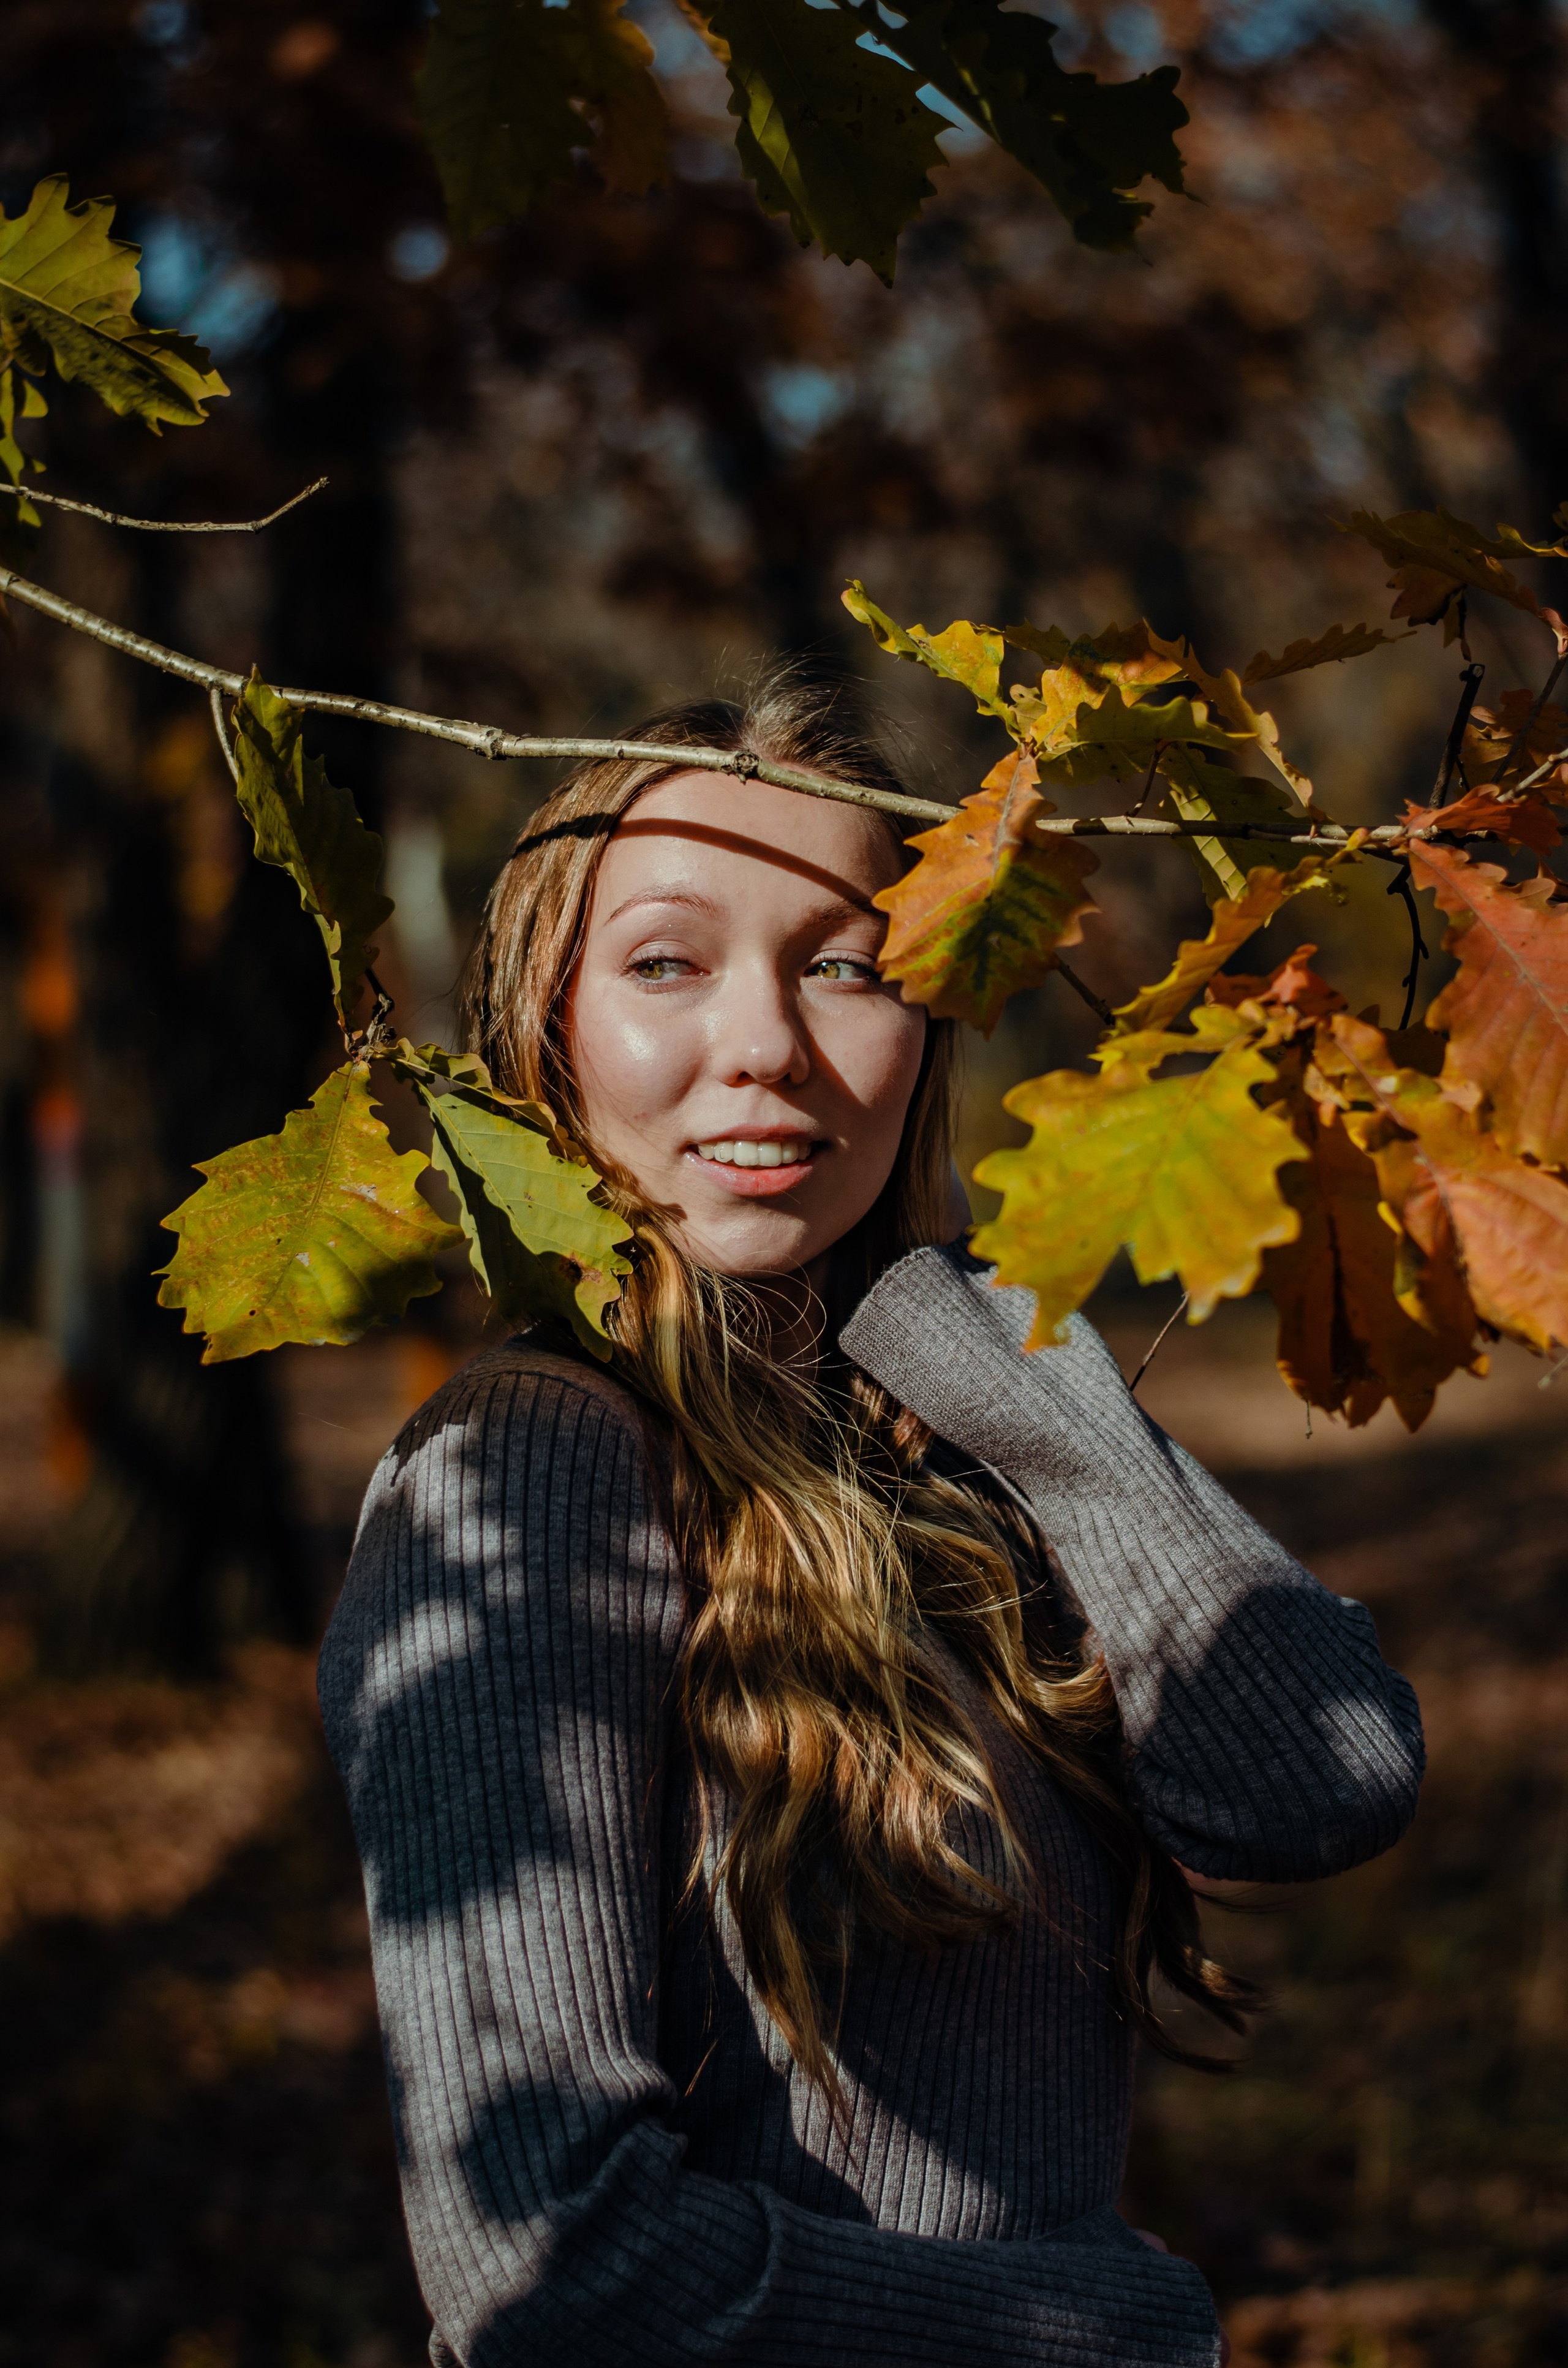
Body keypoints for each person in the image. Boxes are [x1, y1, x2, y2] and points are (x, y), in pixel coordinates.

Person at [318, 682, 1424, 2368]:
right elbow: (548, 2262)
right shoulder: (524, 1473)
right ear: (546, 1022)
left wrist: (1012, 1358)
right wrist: (1090, 2334)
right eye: (670, 961)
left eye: (846, 962)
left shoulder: (949, 1415)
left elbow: (1317, 1779)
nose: (765, 1040)